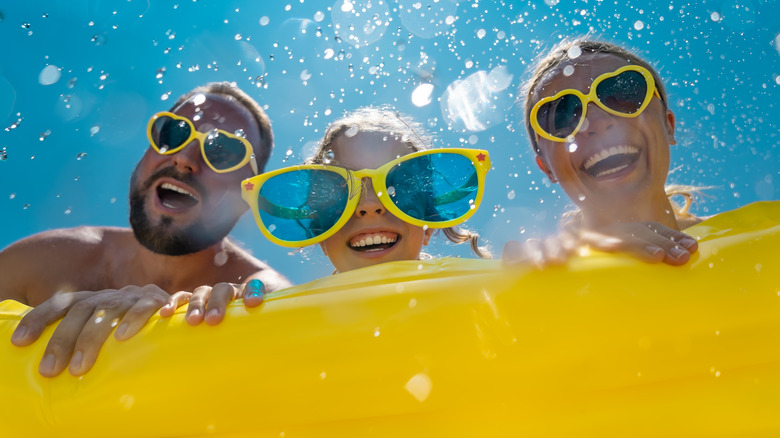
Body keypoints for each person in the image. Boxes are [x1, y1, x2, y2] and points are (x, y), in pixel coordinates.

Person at [3, 82, 291, 377]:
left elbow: (280, 306)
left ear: (247, 195)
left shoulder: (257, 288)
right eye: (173, 134)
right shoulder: (42, 262)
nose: (184, 158)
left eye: (223, 151)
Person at [162, 106, 491, 313]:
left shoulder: (479, 299)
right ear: (319, 229)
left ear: (429, 222)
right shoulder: (290, 317)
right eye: (338, 195)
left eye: (399, 188)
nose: (370, 206)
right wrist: (234, 314)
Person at [504, 37, 702, 266]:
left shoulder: (750, 235)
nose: (595, 122)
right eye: (562, 115)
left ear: (668, 125)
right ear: (547, 167)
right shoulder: (546, 274)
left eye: (622, 94)